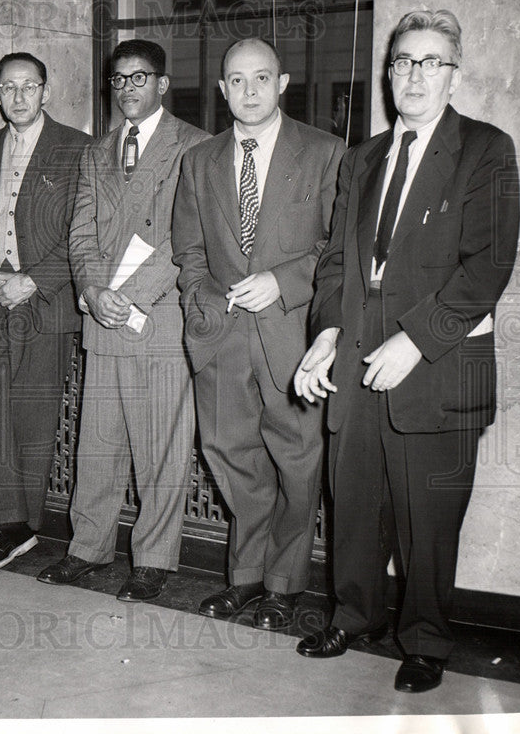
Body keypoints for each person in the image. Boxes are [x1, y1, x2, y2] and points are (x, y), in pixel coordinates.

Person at [293, 10, 520, 693]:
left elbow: (487, 268)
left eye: (430, 62)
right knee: (356, 503)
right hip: (359, 366)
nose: (413, 76)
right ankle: (353, 615)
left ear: (455, 74)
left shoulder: (485, 149)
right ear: (387, 73)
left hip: (438, 368)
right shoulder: (361, 157)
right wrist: (327, 334)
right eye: (402, 62)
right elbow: (335, 260)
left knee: (429, 518)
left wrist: (415, 341)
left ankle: (424, 642)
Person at [172, 38, 345, 629]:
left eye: (261, 78)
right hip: (221, 336)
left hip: (292, 338)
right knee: (232, 458)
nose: (249, 91)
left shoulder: (325, 153)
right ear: (222, 89)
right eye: (236, 80)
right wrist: (202, 302)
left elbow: (337, 248)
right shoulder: (199, 160)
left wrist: (284, 279)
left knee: (297, 461)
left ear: (283, 82)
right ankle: (245, 578)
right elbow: (188, 250)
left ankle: (284, 584)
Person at [37, 39, 209, 602]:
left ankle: (154, 560)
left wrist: (127, 295)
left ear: (162, 84)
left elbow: (190, 238)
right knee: (98, 444)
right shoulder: (97, 151)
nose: (128, 87)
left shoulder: (196, 147)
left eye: (140, 77)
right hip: (102, 317)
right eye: (119, 79)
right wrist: (91, 290)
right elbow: (79, 231)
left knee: (161, 447)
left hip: (157, 318)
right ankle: (87, 548)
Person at [0, 52, 90, 577]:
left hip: (44, 306)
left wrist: (32, 279)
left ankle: (19, 528)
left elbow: (85, 231)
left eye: (29, 86)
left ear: (46, 92)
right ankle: (6, 524)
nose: (19, 96)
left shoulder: (76, 148)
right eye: (9, 87)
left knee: (32, 421)